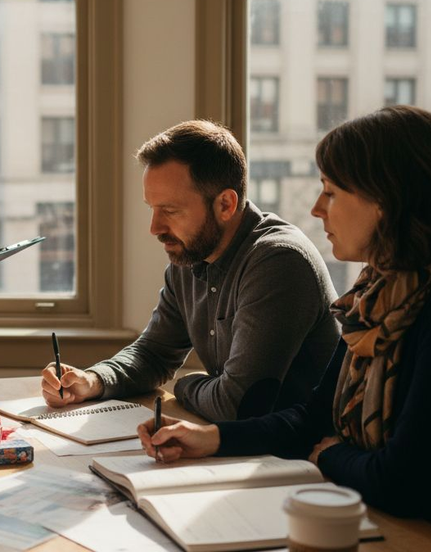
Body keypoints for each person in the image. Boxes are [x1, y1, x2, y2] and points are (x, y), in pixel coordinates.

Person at [137, 106, 431, 550]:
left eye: (331, 192)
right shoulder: (377, 294)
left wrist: (328, 453)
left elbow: (400, 479)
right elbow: (312, 419)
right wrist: (210, 438)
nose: (317, 209)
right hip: (382, 520)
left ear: (386, 201)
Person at [42, 120, 340, 421]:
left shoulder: (278, 262)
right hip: (238, 450)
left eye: (170, 211)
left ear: (225, 204)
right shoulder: (190, 255)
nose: (155, 228)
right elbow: (154, 353)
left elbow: (236, 405)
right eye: (152, 209)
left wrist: (186, 383)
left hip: (296, 459)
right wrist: (93, 381)